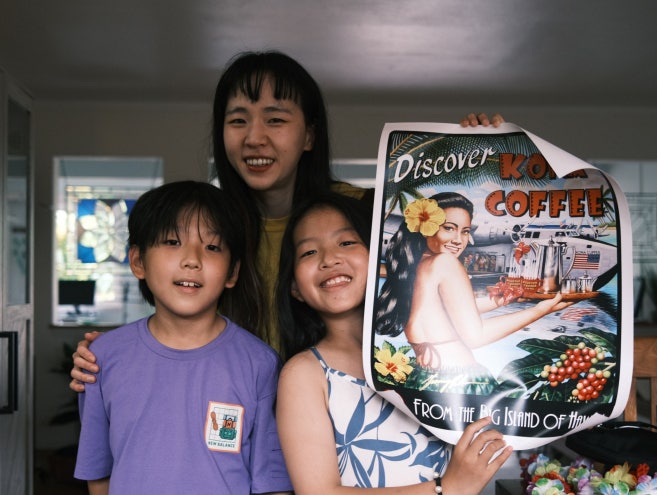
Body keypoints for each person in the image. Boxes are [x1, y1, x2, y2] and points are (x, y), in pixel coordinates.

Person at [69, 48, 504, 391]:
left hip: (352, 419)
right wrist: (110, 354)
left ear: (309, 134)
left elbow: (436, 268)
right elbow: (174, 319)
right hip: (235, 427)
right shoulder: (208, 229)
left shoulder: (370, 212)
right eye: (237, 120)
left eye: (275, 119)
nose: (254, 138)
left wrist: (484, 147)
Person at [274, 193, 512, 493]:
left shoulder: (421, 360)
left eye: (346, 242)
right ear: (294, 286)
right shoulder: (304, 374)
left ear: (377, 255)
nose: (329, 259)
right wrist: (446, 488)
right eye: (308, 252)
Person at [73, 181, 292, 495]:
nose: (192, 259)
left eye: (212, 247)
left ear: (232, 272)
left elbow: (272, 484)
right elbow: (98, 474)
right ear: (138, 261)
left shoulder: (259, 363)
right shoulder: (101, 359)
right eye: (172, 241)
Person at [374, 192, 573, 394]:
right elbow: (475, 337)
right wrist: (541, 310)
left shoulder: (413, 266)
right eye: (449, 228)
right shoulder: (445, 262)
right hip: (461, 381)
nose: (458, 240)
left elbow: (451, 310)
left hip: (422, 379)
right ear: (427, 228)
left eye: (465, 231)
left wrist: (505, 300)